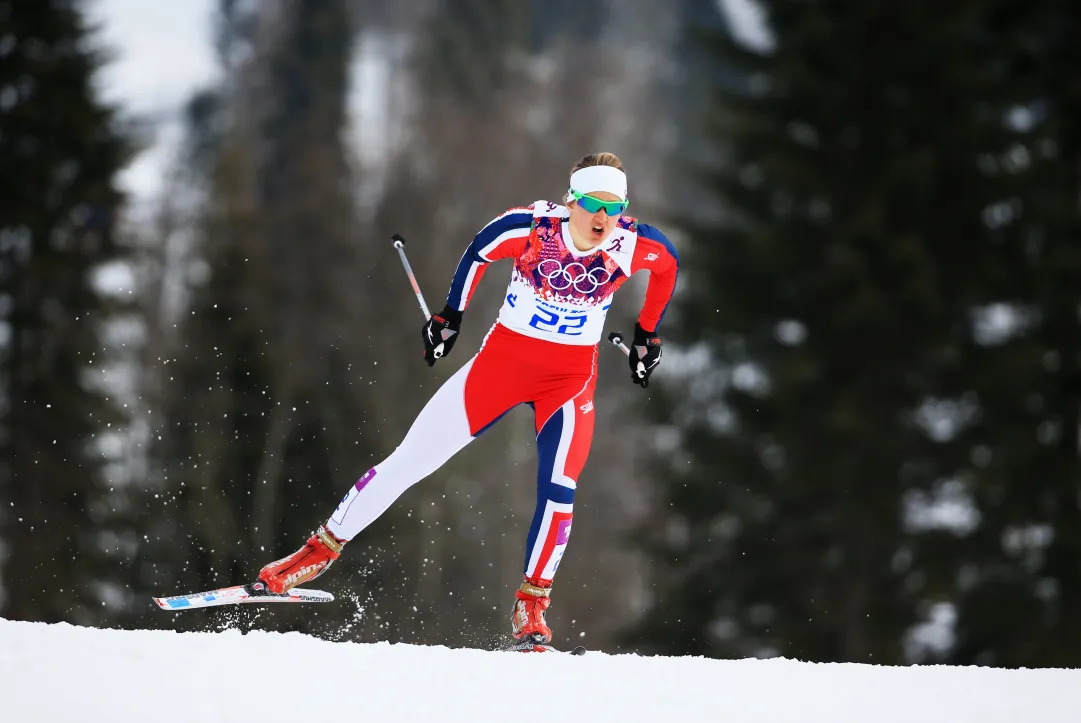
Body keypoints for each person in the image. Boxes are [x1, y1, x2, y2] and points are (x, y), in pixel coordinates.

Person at [256, 151, 679, 646]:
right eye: (591, 204)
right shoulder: (531, 229)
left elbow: (668, 268)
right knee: (410, 460)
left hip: (567, 383)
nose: (603, 218)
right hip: (498, 372)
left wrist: (647, 334)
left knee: (560, 489)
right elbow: (480, 250)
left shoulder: (635, 244)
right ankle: (314, 554)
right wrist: (450, 317)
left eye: (614, 206)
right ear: (571, 202)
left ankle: (532, 608)